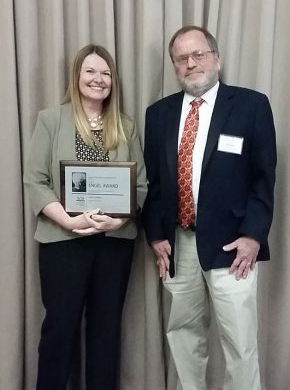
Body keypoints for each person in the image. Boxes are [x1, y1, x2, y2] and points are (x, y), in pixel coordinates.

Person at [142, 26, 276, 390]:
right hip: (179, 244)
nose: (191, 63)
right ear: (174, 67)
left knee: (240, 344)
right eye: (182, 58)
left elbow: (263, 179)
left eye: (198, 54)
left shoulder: (251, 105)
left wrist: (252, 236)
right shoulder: (158, 114)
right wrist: (156, 236)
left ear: (216, 58)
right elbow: (153, 184)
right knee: (183, 334)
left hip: (234, 246)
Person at [24, 44, 147, 390]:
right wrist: (67, 220)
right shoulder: (51, 119)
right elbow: (35, 180)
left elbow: (140, 185)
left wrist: (120, 220)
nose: (99, 79)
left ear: (114, 81)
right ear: (77, 76)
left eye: (106, 73)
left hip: (114, 244)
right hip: (63, 242)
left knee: (106, 329)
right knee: (60, 327)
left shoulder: (125, 125)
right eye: (91, 71)